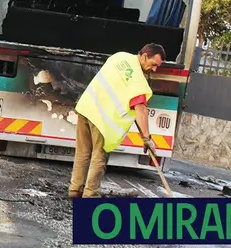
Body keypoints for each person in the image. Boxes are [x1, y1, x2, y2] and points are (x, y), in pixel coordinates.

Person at [68, 43, 165, 198]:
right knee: (98, 158)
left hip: (86, 107)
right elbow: (141, 110)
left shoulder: (119, 56)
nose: (154, 70)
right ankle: (90, 196)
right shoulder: (139, 82)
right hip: (101, 120)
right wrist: (147, 138)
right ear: (145, 55)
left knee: (83, 153)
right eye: (154, 65)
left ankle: (75, 190)